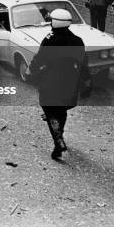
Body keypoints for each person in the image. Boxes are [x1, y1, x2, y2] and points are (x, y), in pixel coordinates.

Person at [27, 9, 90, 161]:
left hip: (51, 81)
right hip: (70, 82)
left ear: (54, 22)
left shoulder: (50, 39)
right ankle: (59, 133)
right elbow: (83, 63)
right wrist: (86, 81)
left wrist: (31, 71)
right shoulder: (77, 40)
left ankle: (58, 139)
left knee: (49, 110)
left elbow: (40, 58)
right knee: (61, 110)